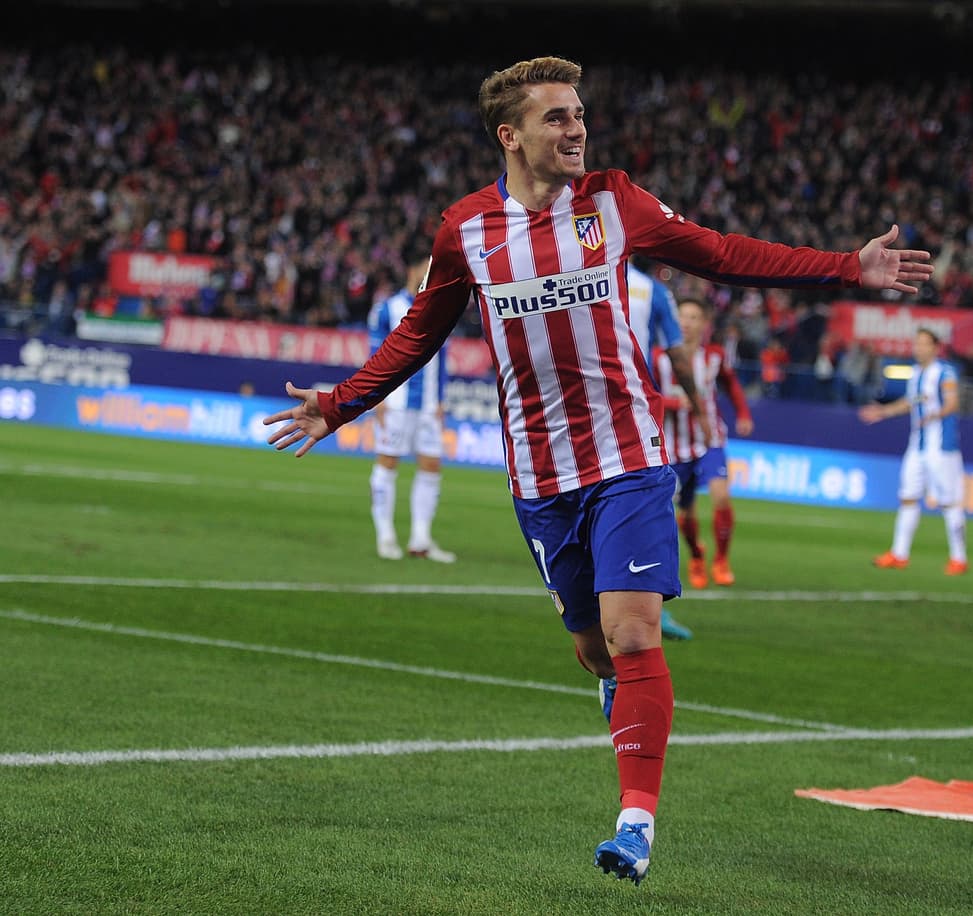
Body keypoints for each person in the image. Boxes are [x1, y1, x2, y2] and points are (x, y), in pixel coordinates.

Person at [263, 55, 932, 886]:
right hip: (540, 478)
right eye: (556, 117)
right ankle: (624, 706)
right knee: (593, 651)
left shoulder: (615, 203)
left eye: (579, 114)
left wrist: (844, 266)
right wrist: (341, 404)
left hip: (629, 457)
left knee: (633, 632)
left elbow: (720, 253)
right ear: (511, 135)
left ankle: (636, 823)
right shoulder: (465, 231)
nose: (576, 128)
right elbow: (419, 333)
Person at [625, 259, 703, 639]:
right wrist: (698, 407)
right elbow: (676, 354)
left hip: (577, 413)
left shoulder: (564, 265)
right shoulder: (651, 290)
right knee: (651, 511)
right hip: (634, 411)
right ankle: (655, 611)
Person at [655, 297, 754, 589]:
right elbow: (643, 393)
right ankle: (697, 554)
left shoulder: (713, 356)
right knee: (684, 515)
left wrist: (744, 414)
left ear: (704, 324)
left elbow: (731, 383)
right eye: (682, 317)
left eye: (693, 317)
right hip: (675, 446)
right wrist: (675, 402)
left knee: (721, 496)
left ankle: (721, 560)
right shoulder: (658, 357)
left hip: (710, 439)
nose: (686, 323)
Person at [367, 255, 456, 563]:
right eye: (426, 268)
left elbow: (443, 357)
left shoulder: (441, 306)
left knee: (431, 465)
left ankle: (421, 538)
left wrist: (442, 398)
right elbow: (374, 353)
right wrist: (375, 396)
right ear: (413, 270)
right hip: (396, 402)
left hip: (429, 404)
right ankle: (386, 535)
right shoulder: (388, 308)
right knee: (388, 462)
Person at [859, 328, 968, 575]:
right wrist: (884, 412)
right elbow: (911, 402)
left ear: (935, 347)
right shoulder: (915, 373)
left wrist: (935, 414)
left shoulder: (945, 372)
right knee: (908, 497)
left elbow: (953, 402)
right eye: (916, 343)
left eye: (923, 344)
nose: (917, 348)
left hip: (941, 447)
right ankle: (899, 554)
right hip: (917, 446)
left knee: (949, 502)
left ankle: (959, 559)